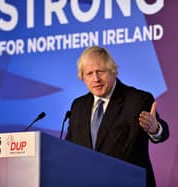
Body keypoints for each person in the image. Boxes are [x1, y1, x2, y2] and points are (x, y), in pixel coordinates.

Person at [65, 46, 169, 187]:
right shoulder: (78, 106)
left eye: (100, 71)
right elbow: (70, 147)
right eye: (89, 73)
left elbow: (162, 132)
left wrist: (155, 129)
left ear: (113, 71)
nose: (96, 78)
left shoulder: (137, 100)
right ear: (82, 77)